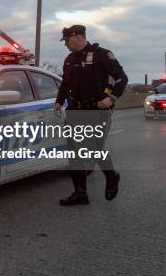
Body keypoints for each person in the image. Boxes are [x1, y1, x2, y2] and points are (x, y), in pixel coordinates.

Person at [55, 25, 128, 206]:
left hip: (97, 110)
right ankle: (80, 193)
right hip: (75, 110)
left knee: (93, 149)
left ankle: (111, 177)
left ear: (77, 37)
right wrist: (59, 101)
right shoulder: (70, 59)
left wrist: (111, 98)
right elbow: (65, 84)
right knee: (75, 153)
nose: (65, 45)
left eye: (66, 41)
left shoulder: (102, 54)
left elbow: (121, 78)